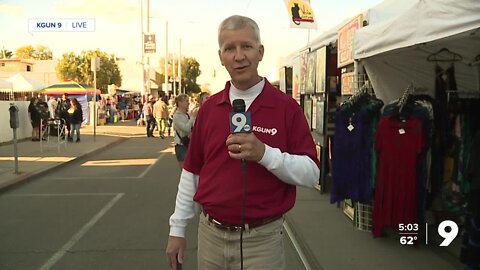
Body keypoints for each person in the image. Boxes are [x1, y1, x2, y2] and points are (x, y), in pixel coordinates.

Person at [166, 15, 320, 270]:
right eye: (230, 48)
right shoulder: (209, 109)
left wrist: (265, 154)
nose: (239, 56)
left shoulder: (286, 108)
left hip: (263, 241)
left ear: (260, 52)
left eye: (246, 46)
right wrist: (177, 228)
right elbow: (192, 172)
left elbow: (311, 172)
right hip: (210, 236)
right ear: (221, 57)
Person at [172, 94, 196, 168]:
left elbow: (193, 127)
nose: (188, 103)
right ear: (180, 102)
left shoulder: (187, 114)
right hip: (181, 145)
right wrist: (192, 117)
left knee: (191, 168)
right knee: (185, 170)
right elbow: (186, 128)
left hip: (189, 143)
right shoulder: (176, 116)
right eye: (186, 101)